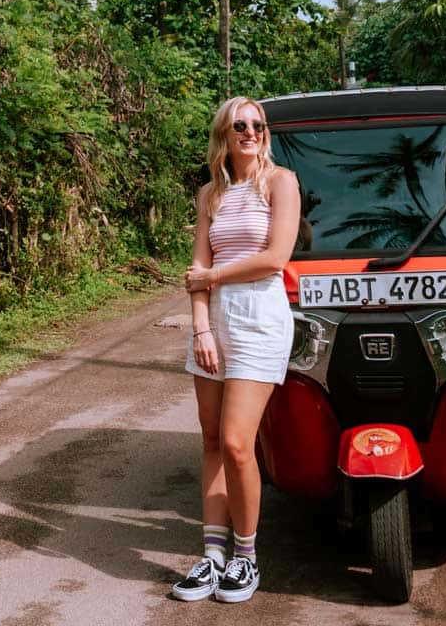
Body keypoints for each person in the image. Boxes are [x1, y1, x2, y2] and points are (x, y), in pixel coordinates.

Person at [169, 96, 299, 604]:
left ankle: (246, 557)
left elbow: (275, 258)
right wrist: (201, 330)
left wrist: (213, 276)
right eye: (240, 125)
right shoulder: (211, 194)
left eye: (258, 125)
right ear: (224, 133)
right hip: (215, 320)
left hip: (259, 319)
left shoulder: (280, 182)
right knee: (210, 441)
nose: (251, 132)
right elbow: (194, 273)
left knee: (238, 442)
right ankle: (213, 555)